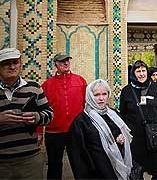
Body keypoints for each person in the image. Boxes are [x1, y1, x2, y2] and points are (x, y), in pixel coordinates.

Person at [0, 48, 54, 180]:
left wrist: (37, 117)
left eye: (15, 62)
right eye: (7, 63)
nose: (12, 67)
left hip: (29, 161)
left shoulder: (33, 87)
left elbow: (49, 114)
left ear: (20, 64)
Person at [68, 79, 133, 180]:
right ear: (89, 96)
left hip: (118, 170)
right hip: (96, 173)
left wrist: (120, 137)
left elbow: (118, 133)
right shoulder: (81, 122)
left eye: (104, 94)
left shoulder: (113, 114)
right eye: (97, 95)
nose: (101, 98)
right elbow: (77, 157)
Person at [38, 52, 87, 180]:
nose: (66, 63)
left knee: (80, 164)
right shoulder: (47, 85)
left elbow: (87, 106)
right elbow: (40, 110)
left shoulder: (80, 80)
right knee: (54, 167)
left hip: (76, 131)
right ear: (56, 64)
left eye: (67, 60)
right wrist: (39, 132)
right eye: (62, 61)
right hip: (54, 133)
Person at [120, 60, 157, 180]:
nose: (141, 74)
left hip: (156, 135)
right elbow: (123, 114)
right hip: (137, 138)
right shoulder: (126, 91)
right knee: (137, 170)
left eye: (143, 71)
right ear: (133, 73)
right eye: (138, 71)